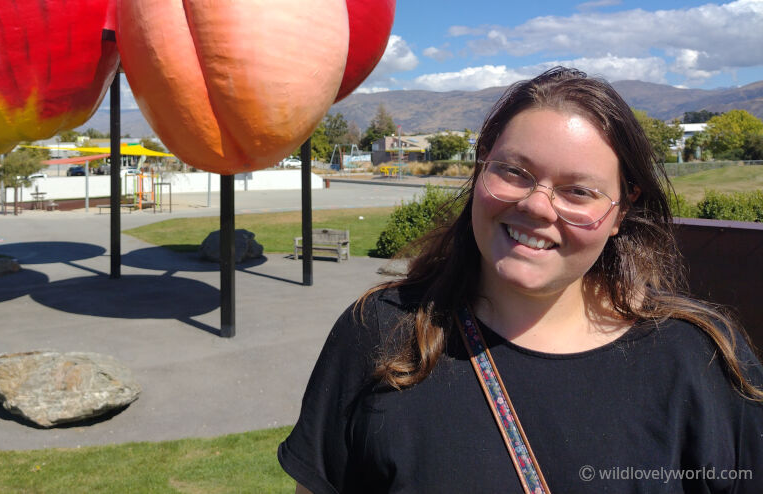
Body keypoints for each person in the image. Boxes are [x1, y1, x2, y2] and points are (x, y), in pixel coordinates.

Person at [279, 67, 763, 493]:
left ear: (621, 211)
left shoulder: (700, 361)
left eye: (578, 190)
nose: (536, 205)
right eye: (514, 171)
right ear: (481, 167)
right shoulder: (379, 335)